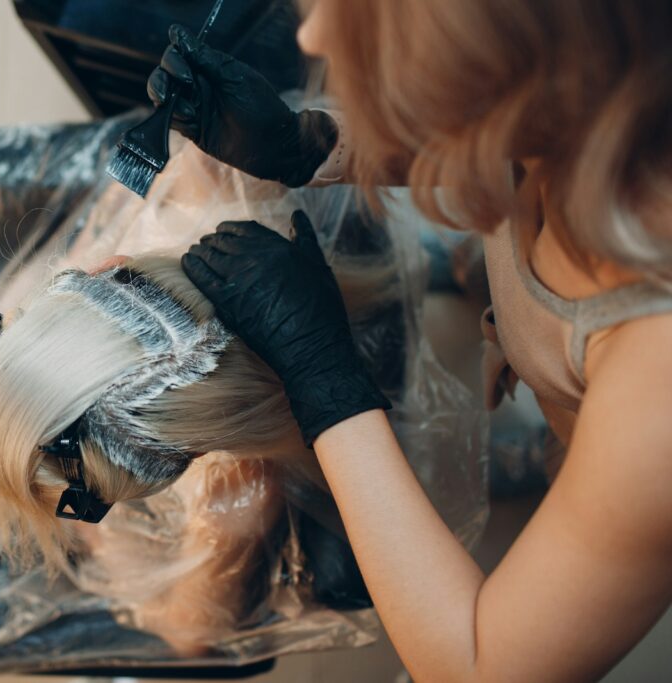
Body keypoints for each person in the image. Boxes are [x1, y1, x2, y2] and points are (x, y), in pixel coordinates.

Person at [147, 1, 672, 680]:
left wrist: (323, 380)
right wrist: (310, 147)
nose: (313, 34)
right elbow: (504, 129)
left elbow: (478, 665)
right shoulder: (603, 85)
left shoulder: (654, 397)